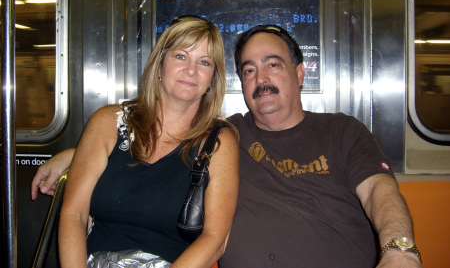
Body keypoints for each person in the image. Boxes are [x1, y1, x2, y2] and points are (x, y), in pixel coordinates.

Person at [32, 24, 421, 268]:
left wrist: (400, 248)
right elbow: (156, 141)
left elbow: (379, 190)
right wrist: (80, 152)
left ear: (300, 73)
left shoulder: (341, 131)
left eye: (273, 64)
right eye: (249, 70)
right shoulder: (228, 134)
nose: (261, 77)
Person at [38, 16, 240, 268]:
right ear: (160, 63)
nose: (191, 70)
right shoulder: (107, 123)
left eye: (204, 62)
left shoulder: (219, 142)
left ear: (213, 77)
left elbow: (214, 239)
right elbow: (73, 214)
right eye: (181, 56)